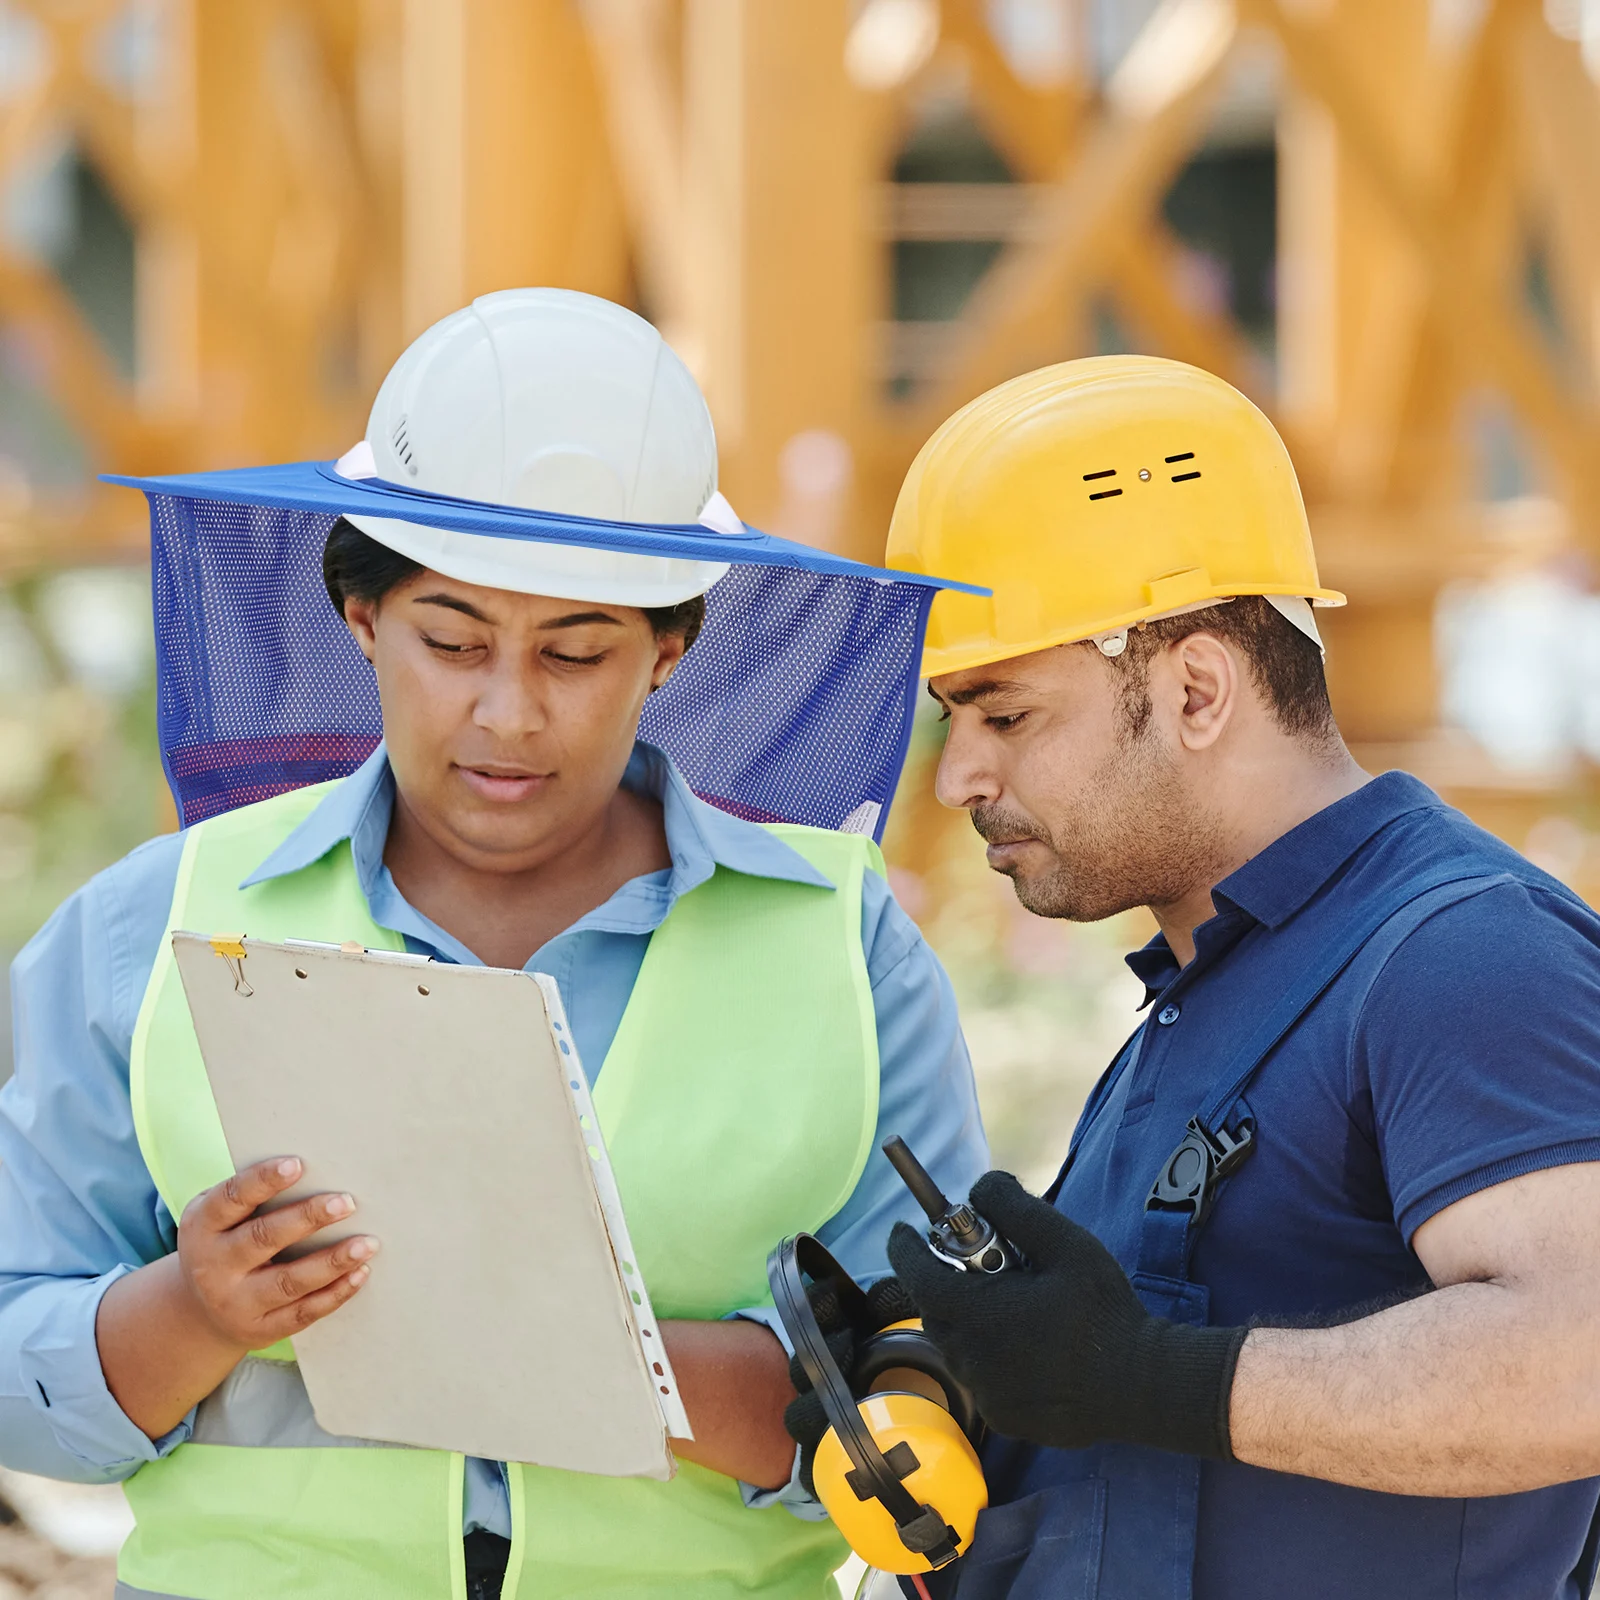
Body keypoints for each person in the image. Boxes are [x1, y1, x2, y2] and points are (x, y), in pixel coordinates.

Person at [0, 289, 987, 1600]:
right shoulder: (151, 928)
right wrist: (194, 1312)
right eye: (453, 643)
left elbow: (936, 1371)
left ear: (669, 654)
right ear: (363, 623)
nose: (509, 714)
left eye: (576, 655)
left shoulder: (841, 950)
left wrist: (579, 1362)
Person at [879, 355, 1600, 1600]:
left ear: (1195, 688)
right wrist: (946, 1385)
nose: (958, 780)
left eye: (1005, 714)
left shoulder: (1460, 953)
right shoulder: (1218, 990)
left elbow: (1577, 1355)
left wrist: (1149, 1377)